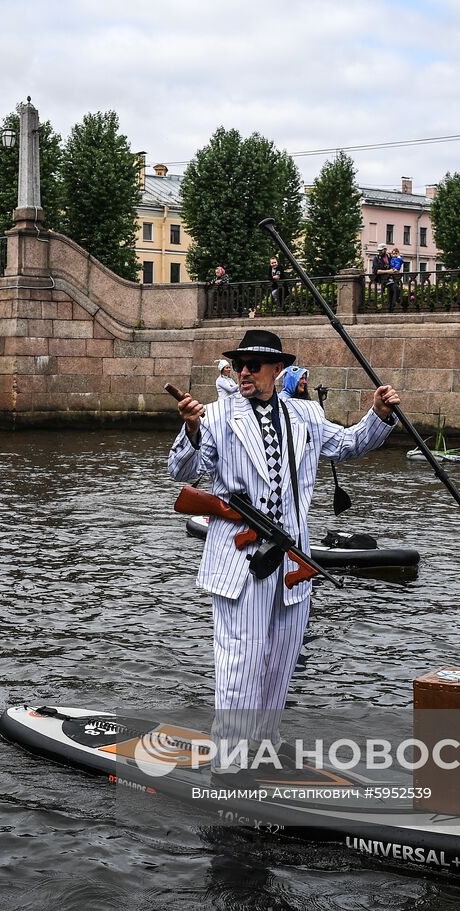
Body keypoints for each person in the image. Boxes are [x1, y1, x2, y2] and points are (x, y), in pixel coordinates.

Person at [168, 328, 400, 784]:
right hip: (240, 561)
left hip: (292, 564)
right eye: (240, 364)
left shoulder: (306, 414)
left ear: (278, 370)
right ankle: (231, 763)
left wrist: (378, 414)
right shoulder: (215, 416)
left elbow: (349, 444)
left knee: (279, 662)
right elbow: (182, 470)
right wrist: (191, 427)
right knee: (242, 662)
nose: (245, 371)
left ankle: (263, 748)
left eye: (255, 364)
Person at [372, 245, 400, 311]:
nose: (380, 252)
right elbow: (376, 271)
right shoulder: (376, 258)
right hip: (383, 278)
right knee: (395, 289)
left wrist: (395, 269)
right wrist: (388, 271)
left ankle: (391, 308)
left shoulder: (389, 256)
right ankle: (391, 307)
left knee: (394, 291)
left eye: (381, 250)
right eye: (379, 250)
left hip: (391, 278)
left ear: (385, 249)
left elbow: (395, 264)